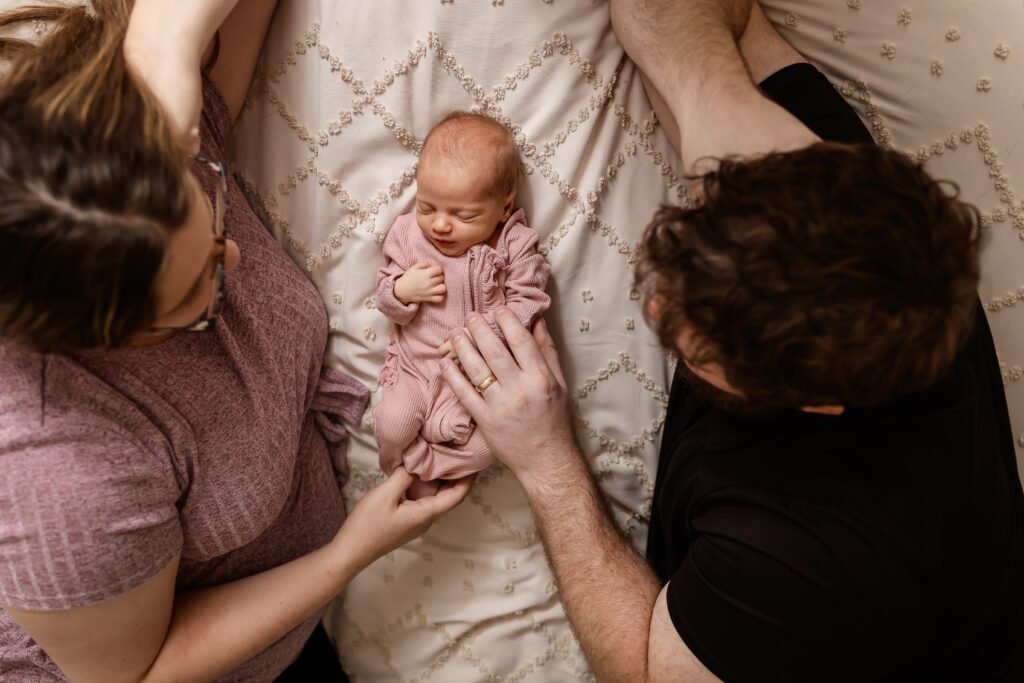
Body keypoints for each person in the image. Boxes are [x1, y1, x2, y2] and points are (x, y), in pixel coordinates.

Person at [438, 0, 1024, 681]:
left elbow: (649, 671)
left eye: (706, 347)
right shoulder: (844, 216)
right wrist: (718, 94)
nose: (659, 306)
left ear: (818, 404)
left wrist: (547, 462)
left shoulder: (801, 557)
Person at [0, 1, 471, 680]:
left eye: (209, 206)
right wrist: (347, 553)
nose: (236, 259)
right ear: (110, 336)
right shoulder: (58, 473)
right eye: (200, 283)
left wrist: (168, 39)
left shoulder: (123, 171)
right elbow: (137, 672)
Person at [373, 112, 550, 500]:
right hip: (416, 370)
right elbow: (384, 295)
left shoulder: (514, 244)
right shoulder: (407, 234)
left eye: (463, 215)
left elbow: (529, 300)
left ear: (504, 208)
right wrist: (402, 289)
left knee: (491, 448)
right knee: (392, 422)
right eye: (427, 207)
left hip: (479, 379)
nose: (439, 225)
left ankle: (432, 463)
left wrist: (483, 335)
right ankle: (403, 467)